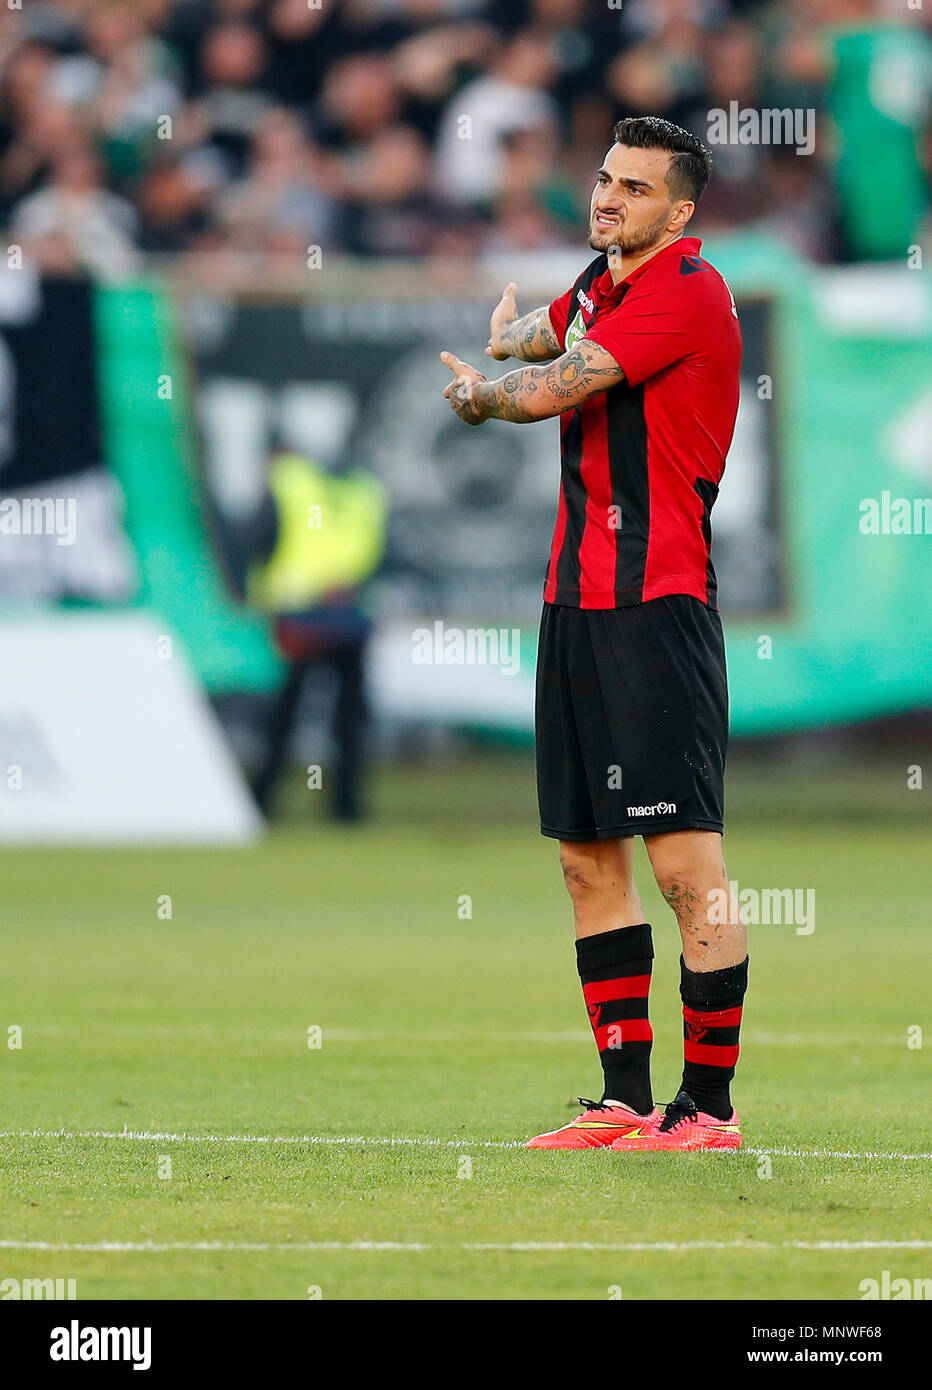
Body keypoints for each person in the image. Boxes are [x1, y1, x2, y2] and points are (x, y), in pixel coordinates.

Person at [440, 115, 748, 1152]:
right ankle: (622, 1098)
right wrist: (502, 338)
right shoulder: (599, 284)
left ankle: (705, 1108)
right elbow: (543, 339)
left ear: (680, 209)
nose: (608, 198)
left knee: (682, 869)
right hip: (572, 602)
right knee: (585, 860)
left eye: (635, 188)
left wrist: (487, 395)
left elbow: (557, 384)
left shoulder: (683, 291)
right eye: (605, 179)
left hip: (656, 606)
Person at [247, 450, 386, 824]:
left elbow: (257, 539)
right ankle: (347, 808)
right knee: (349, 718)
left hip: (301, 615)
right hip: (348, 613)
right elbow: (382, 552)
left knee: (284, 716)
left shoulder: (289, 482)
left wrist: (259, 591)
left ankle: (261, 803)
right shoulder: (365, 490)